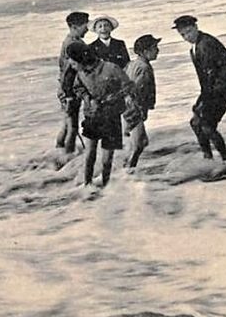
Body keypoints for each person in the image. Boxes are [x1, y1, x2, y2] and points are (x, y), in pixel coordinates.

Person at [172, 15, 226, 162]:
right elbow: (205, 80)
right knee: (196, 123)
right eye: (182, 34)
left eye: (189, 32)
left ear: (196, 27)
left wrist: (202, 101)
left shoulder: (206, 44)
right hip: (213, 89)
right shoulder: (196, 47)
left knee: (206, 125)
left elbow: (210, 76)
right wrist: (201, 100)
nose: (186, 37)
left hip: (222, 88)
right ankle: (208, 157)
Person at [66, 41, 132, 187]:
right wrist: (88, 98)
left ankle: (106, 186)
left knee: (107, 159)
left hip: (111, 117)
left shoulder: (111, 68)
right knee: (89, 154)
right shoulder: (80, 73)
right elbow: (78, 88)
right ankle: (87, 185)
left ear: (82, 59)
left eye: (73, 62)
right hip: (92, 117)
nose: (71, 65)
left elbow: (128, 86)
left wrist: (113, 97)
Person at [123, 34, 160, 170]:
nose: (157, 50)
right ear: (145, 52)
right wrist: (139, 111)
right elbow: (135, 91)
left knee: (137, 142)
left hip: (125, 107)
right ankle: (128, 171)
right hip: (133, 109)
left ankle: (125, 168)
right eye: (154, 48)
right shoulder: (144, 68)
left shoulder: (132, 64)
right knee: (139, 143)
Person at [56, 11, 90, 153]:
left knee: (67, 124)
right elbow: (68, 73)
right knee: (73, 127)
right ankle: (68, 156)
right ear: (75, 26)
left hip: (66, 88)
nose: (87, 29)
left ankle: (59, 152)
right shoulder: (73, 44)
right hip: (70, 89)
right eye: (85, 26)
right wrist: (69, 94)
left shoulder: (69, 41)